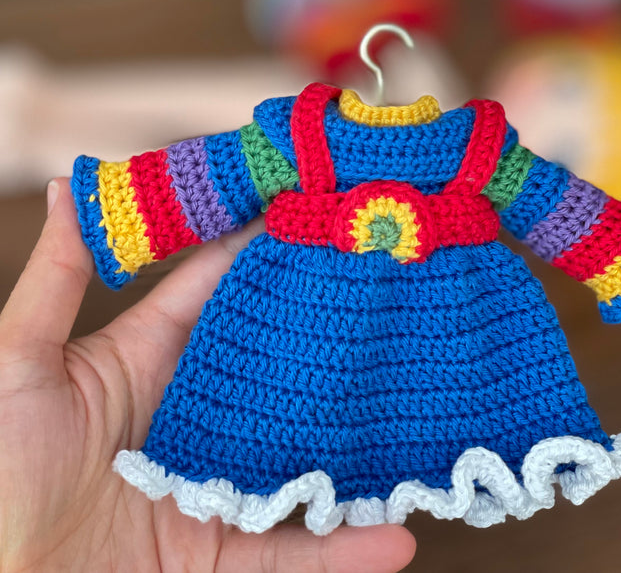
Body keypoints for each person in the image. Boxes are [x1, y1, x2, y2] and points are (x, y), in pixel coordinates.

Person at [0, 178, 417, 573]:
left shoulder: (479, 146)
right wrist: (121, 208)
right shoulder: (298, 135)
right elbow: (211, 176)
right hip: (282, 326)